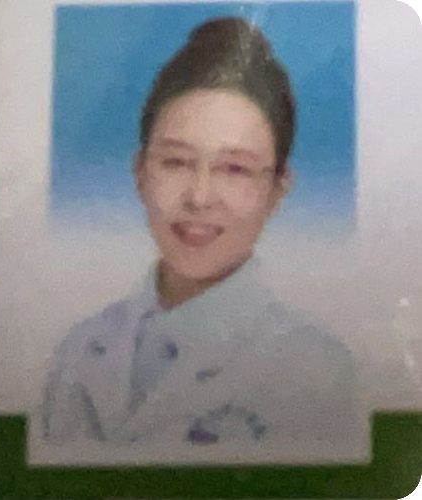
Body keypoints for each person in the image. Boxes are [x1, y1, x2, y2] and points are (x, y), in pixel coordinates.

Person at [40, 17, 357, 455]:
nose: (200, 197)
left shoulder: (318, 370)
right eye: (175, 162)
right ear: (140, 172)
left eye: (235, 169)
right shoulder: (78, 350)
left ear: (278, 189)